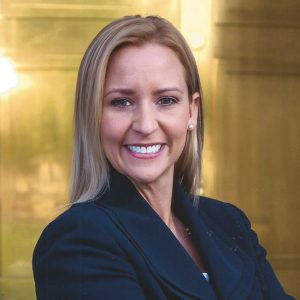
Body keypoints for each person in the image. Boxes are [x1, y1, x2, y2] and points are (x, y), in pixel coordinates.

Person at [32, 15, 294, 300]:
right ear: (92, 115)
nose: (145, 125)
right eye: (122, 102)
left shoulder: (229, 223)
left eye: (166, 100)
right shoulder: (78, 241)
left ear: (191, 111)